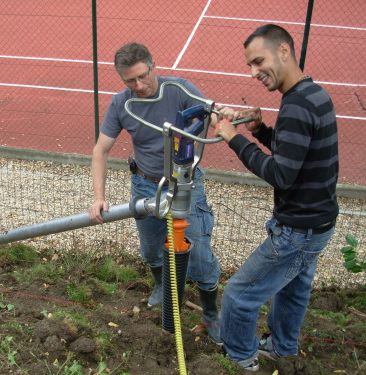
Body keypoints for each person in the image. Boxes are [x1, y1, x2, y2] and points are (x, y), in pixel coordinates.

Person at [214, 24, 339, 371]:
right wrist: (260, 130)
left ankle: (240, 359)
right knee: (293, 289)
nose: (254, 72)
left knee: (240, 294)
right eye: (249, 65)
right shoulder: (314, 94)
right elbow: (298, 156)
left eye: (258, 61)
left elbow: (281, 174)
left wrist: (234, 138)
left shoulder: (296, 106)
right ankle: (282, 347)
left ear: (283, 50)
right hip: (320, 221)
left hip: (298, 229)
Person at [88, 42, 222, 344]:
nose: (139, 86)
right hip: (146, 185)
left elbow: (210, 112)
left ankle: (211, 314)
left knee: (198, 254)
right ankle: (162, 286)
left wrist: (218, 118)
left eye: (143, 76)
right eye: (130, 81)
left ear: (153, 66)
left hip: (186, 183)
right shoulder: (122, 103)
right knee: (151, 249)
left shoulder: (179, 89)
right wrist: (99, 196)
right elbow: (101, 150)